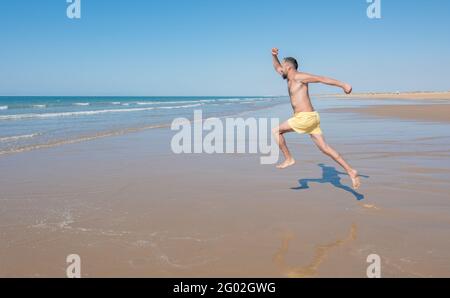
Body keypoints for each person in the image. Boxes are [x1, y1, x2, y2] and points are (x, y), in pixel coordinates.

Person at [271, 48, 360, 189]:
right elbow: (276, 67)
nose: (280, 69)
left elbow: (321, 79)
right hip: (311, 118)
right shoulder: (289, 77)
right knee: (325, 148)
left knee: (276, 131)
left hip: (304, 118)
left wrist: (343, 84)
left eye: (282, 66)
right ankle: (351, 171)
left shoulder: (299, 77)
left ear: (288, 67)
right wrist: (274, 56)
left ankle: (289, 158)